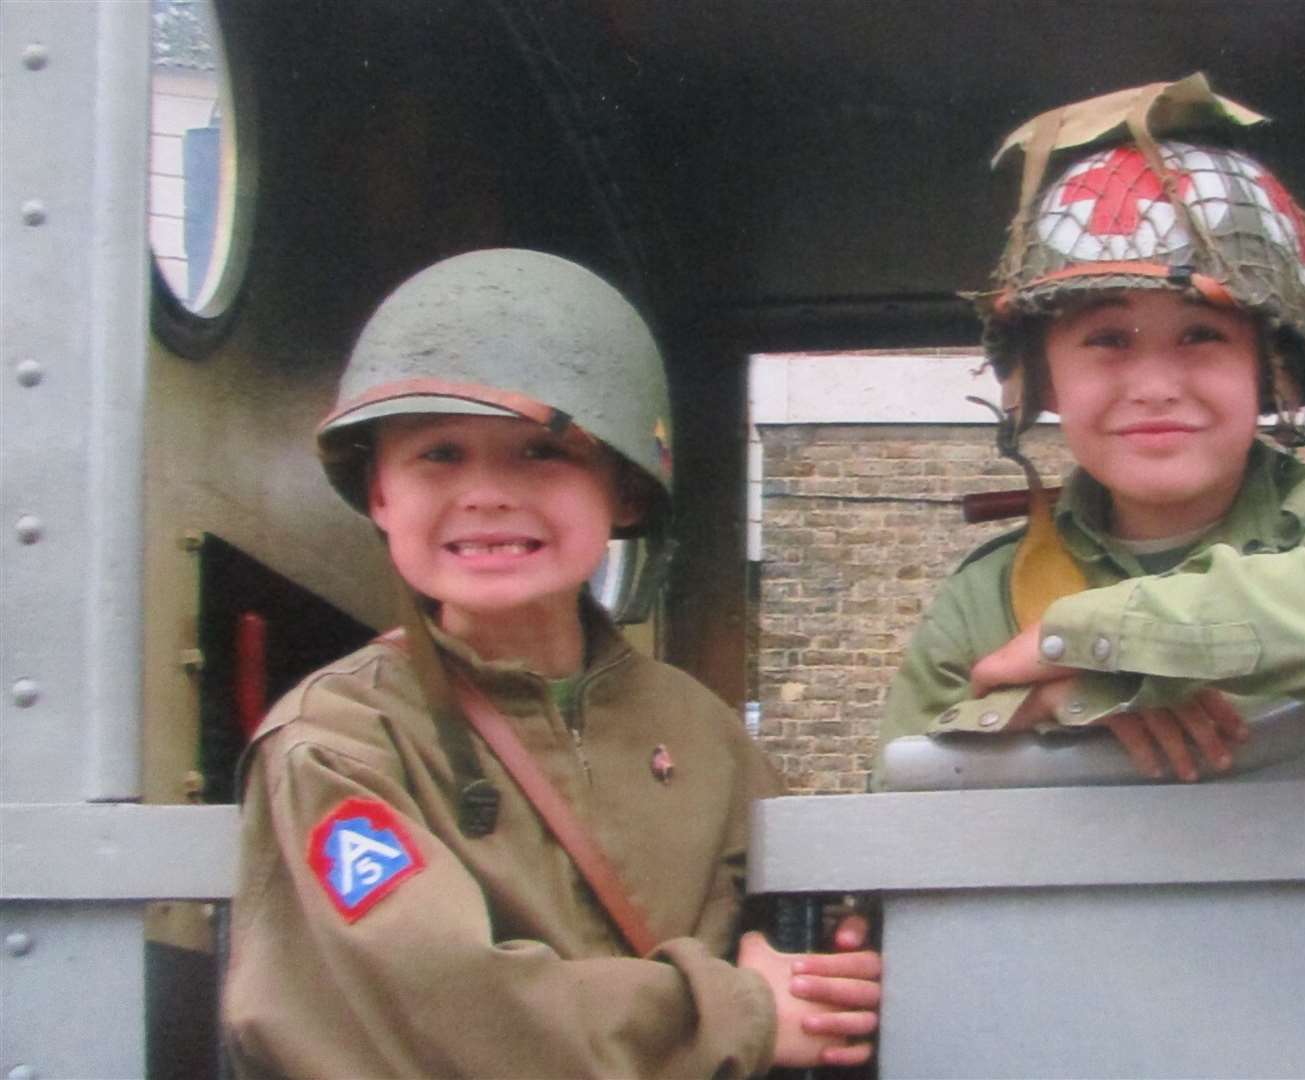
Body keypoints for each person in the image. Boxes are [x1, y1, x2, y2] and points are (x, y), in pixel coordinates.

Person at [223, 248, 880, 1076]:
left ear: (625, 490)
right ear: (380, 493)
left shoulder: (703, 735)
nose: (488, 493)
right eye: (439, 454)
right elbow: (441, 1015)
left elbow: (791, 941)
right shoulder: (340, 742)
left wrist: (834, 962)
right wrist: (739, 1014)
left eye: (541, 453)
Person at [877, 75, 1305, 785]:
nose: (1154, 386)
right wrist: (1063, 697)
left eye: (1200, 335)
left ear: (1268, 369)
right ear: (1045, 380)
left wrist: (1100, 640)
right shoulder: (988, 592)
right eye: (1106, 340)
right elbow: (897, 790)